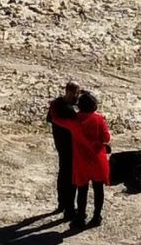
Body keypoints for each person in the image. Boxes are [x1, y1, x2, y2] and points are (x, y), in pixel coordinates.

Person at [50, 88, 111, 230]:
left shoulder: (74, 121)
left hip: (82, 162)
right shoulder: (99, 119)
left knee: (82, 191)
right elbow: (106, 138)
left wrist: (54, 106)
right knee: (98, 189)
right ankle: (96, 216)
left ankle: (81, 217)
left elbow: (56, 120)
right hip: (98, 160)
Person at [46, 82, 82, 214]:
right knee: (71, 178)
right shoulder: (69, 110)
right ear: (71, 92)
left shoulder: (56, 104)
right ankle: (69, 208)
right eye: (77, 92)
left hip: (60, 145)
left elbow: (50, 118)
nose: (77, 96)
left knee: (63, 175)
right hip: (70, 147)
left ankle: (62, 203)